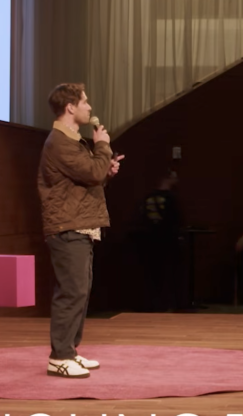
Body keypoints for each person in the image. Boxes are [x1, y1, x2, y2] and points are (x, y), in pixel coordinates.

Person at [37, 83, 123, 379]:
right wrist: (102, 145)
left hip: (80, 224)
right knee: (71, 292)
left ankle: (70, 350)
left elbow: (91, 178)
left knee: (80, 292)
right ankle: (59, 356)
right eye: (84, 102)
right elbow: (91, 173)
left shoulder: (73, 141)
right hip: (67, 227)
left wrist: (105, 171)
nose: (89, 107)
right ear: (70, 107)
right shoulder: (60, 142)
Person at [139, 171, 183, 312]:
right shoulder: (171, 199)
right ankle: (168, 304)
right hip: (168, 240)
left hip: (149, 241)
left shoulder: (148, 197)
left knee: (152, 274)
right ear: (168, 178)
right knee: (169, 273)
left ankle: (152, 304)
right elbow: (175, 220)